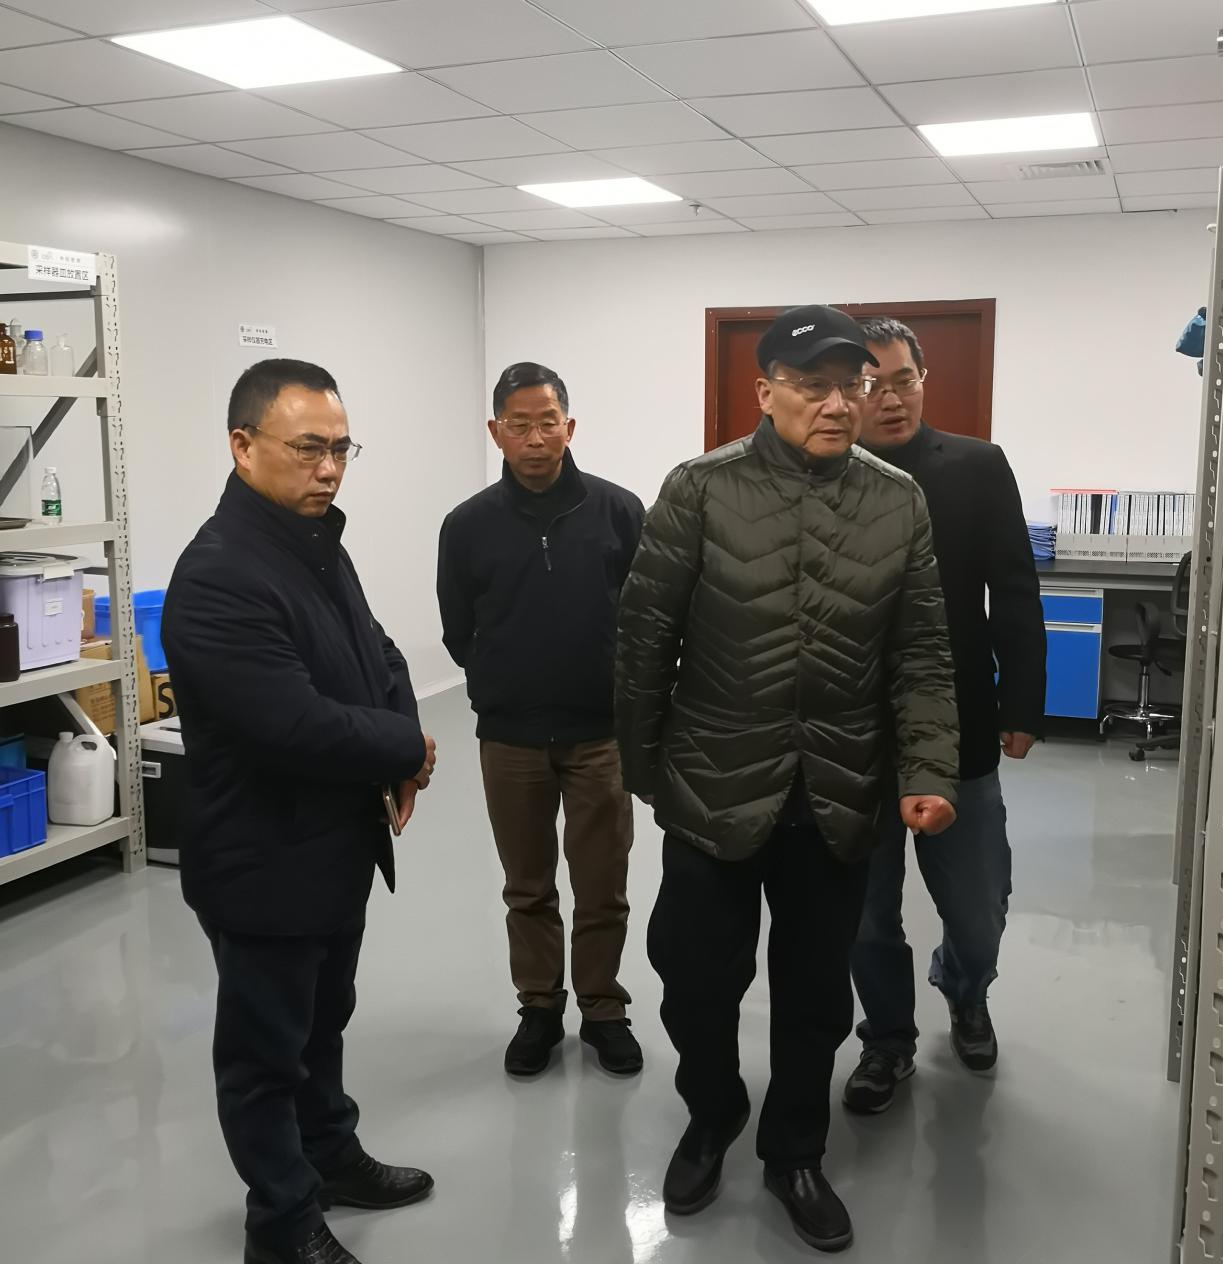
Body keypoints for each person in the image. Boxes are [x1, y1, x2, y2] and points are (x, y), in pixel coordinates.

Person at [616, 305, 960, 1254]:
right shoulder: (700, 489)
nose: (839, 403)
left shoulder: (897, 501)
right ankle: (713, 1112)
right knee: (693, 979)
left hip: (839, 789)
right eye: (814, 385)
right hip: (713, 782)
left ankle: (795, 1151)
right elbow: (644, 641)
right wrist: (648, 773)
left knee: (814, 994)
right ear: (765, 391)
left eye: (853, 384)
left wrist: (929, 766)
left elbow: (923, 652)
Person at [164, 359, 438, 1264]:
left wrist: (401, 730)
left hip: (331, 846)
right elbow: (290, 723)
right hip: (263, 859)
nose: (329, 469)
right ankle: (281, 1222)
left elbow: (378, 651)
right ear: (243, 447)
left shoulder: (315, 541)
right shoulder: (218, 575)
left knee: (323, 1020)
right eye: (309, 448)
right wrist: (405, 747)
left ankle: (329, 1154)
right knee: (264, 1053)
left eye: (342, 449)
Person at [843, 317, 1046, 1116]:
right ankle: (887, 1039)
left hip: (960, 721)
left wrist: (1022, 702)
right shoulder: (829, 474)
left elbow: (1015, 588)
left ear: (924, 380)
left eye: (903, 380)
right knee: (867, 914)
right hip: (854, 733)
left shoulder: (976, 467)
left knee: (978, 907)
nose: (890, 399)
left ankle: (965, 989)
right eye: (872, 385)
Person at [437, 362, 646, 1078]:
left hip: (600, 736)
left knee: (602, 886)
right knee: (526, 887)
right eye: (518, 425)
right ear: (495, 431)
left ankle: (603, 1009)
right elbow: (458, 628)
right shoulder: (467, 526)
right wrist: (501, 684)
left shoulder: (619, 512)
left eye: (547, 422)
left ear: (569, 427)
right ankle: (539, 1007)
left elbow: (645, 617)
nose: (534, 438)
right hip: (511, 739)